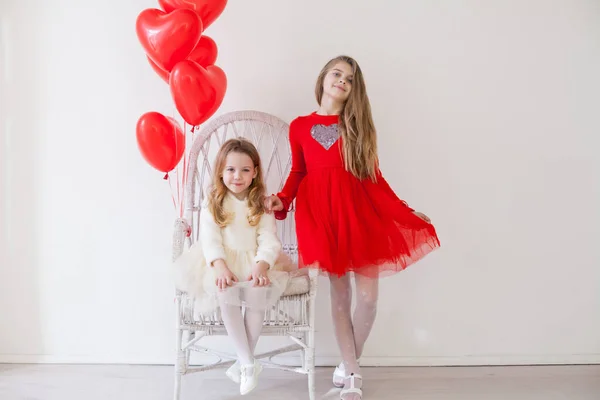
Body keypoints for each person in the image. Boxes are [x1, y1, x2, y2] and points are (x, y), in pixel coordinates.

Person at [265, 55, 441, 399]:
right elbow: (298, 173)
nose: (342, 81)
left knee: (368, 299)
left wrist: (406, 212)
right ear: (323, 77)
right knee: (341, 294)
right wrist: (283, 200)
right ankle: (355, 378)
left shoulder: (357, 126)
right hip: (319, 214)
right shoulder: (299, 126)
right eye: (337, 74)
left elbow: (374, 178)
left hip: (357, 214)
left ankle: (348, 365)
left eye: (349, 79)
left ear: (353, 89)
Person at [173, 138, 293, 396]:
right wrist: (219, 266)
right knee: (226, 292)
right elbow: (210, 238)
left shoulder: (260, 202)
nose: (237, 176)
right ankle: (249, 362)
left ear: (255, 173)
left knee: (257, 292)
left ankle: (244, 362)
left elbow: (268, 238)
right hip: (221, 262)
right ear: (220, 171)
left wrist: (262, 265)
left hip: (254, 261)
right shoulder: (214, 201)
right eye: (230, 169)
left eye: (245, 170)